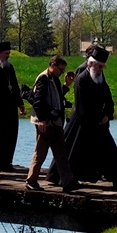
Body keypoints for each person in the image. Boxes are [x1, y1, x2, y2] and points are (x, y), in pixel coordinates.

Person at [61, 46, 117, 187]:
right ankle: (68, 179)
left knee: (105, 149)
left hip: (98, 121)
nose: (101, 69)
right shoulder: (82, 79)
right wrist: (96, 120)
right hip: (83, 122)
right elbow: (83, 105)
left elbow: (108, 97)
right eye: (99, 66)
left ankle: (114, 175)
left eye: (103, 67)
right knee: (77, 152)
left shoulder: (98, 76)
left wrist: (107, 114)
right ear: (91, 64)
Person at [25, 56, 77, 192]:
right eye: (60, 69)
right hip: (46, 123)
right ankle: (31, 181)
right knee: (40, 153)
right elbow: (37, 101)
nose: (62, 72)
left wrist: (66, 85)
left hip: (56, 123)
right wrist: (42, 120)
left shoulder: (54, 78)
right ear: (53, 65)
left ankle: (68, 182)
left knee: (61, 154)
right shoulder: (43, 78)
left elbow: (57, 97)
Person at [0, 41, 25, 171]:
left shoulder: (9, 67)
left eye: (9, 53)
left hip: (11, 108)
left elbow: (14, 86)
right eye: (6, 53)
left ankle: (7, 161)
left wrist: (20, 103)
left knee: (11, 135)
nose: (8, 56)